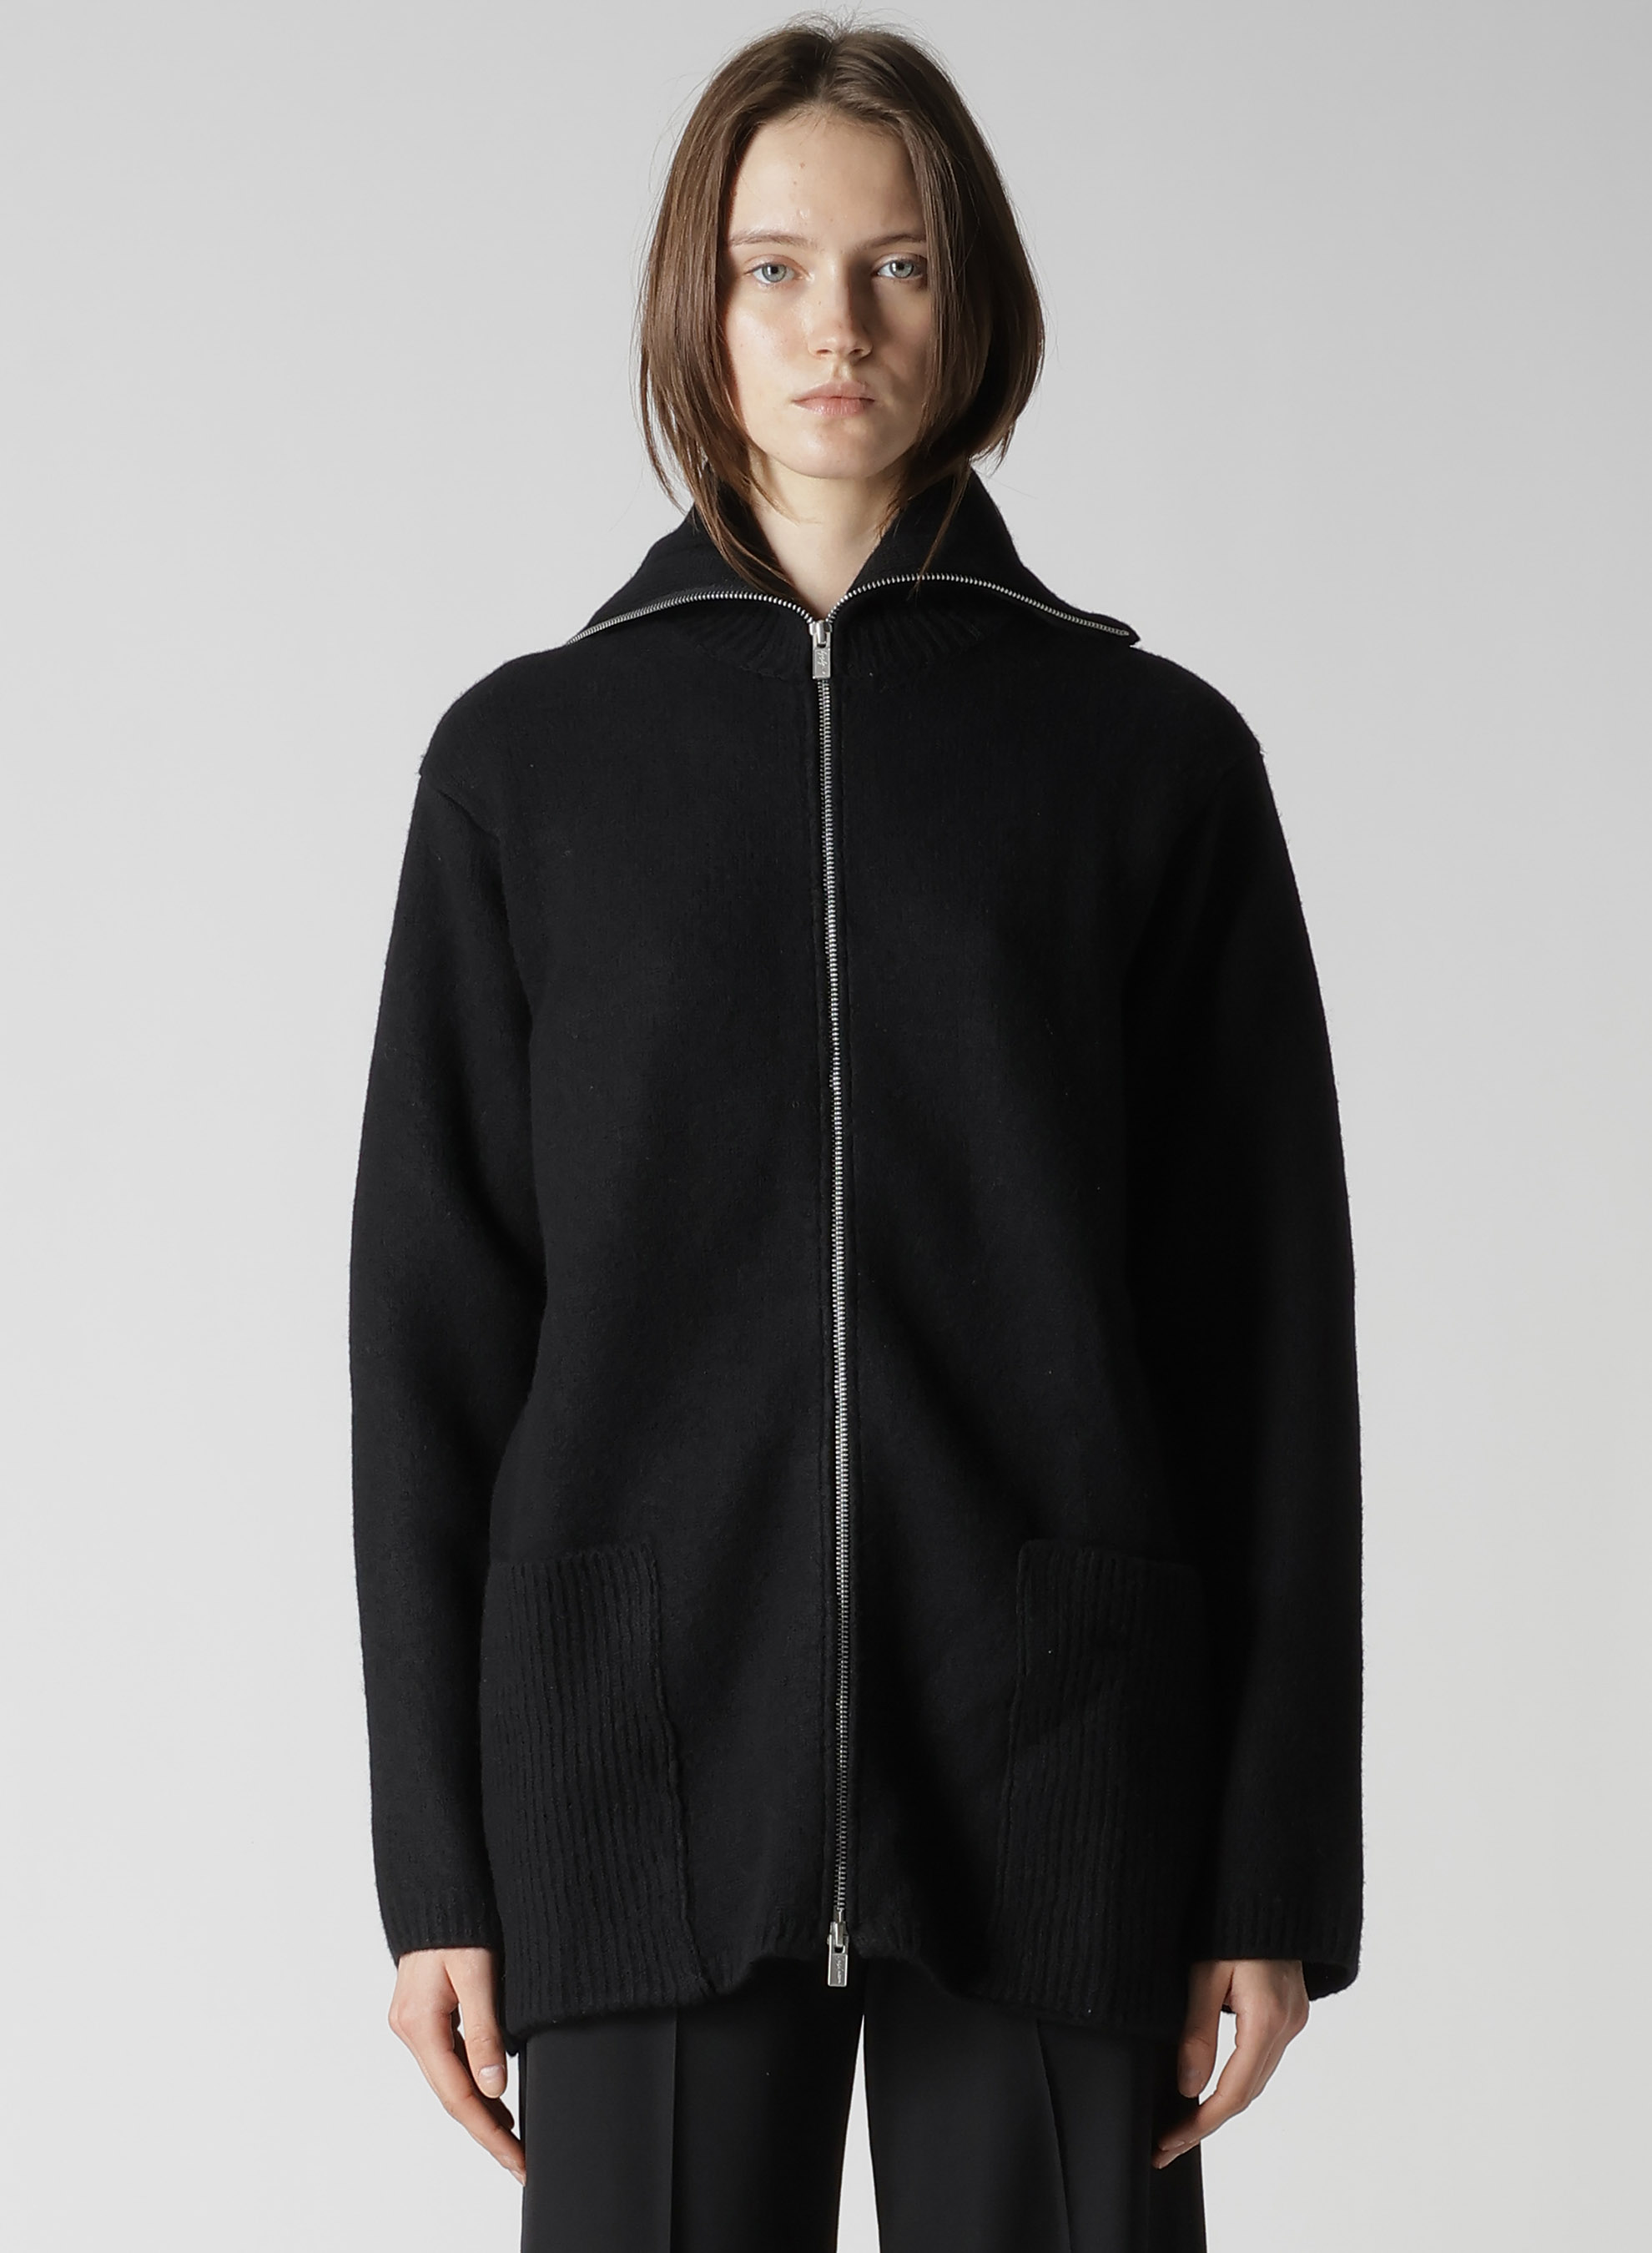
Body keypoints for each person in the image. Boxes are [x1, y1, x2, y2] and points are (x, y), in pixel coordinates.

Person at [349, 17, 1362, 2250]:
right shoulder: (525, 770)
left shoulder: (1149, 762)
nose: (836, 328)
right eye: (774, 268)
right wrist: (437, 1860)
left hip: (1061, 1751)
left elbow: (1262, 1339)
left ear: (971, 297)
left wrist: (1270, 1865)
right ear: (696, 305)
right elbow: (433, 1341)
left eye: (897, 267)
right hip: (632, 1762)